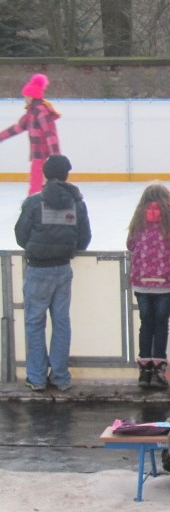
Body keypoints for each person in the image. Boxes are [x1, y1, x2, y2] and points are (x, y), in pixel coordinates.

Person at [14, 155, 91, 391]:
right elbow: (84, 239)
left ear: (45, 174)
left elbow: (20, 235)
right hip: (62, 270)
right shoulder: (77, 204)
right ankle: (60, 377)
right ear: (67, 175)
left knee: (35, 323)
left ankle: (36, 378)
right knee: (61, 322)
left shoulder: (33, 202)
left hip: (38, 270)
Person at [127, 182, 170, 389]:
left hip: (141, 280)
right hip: (164, 280)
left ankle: (144, 372)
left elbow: (130, 243)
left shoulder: (139, 216)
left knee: (145, 324)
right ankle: (159, 372)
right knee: (161, 324)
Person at [0, 74, 62, 195]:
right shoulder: (31, 112)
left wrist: (55, 156)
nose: (24, 98)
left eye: (26, 96)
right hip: (37, 155)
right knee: (36, 181)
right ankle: (36, 203)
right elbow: (18, 128)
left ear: (32, 96)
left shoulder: (41, 111)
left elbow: (50, 133)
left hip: (45, 155)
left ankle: (36, 204)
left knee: (38, 183)